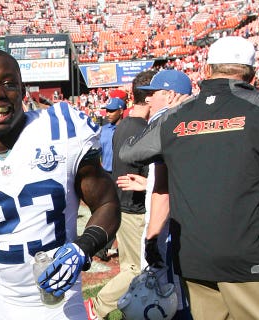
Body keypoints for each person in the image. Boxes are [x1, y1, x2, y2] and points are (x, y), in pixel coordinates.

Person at [0, 49, 121, 320]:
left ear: (22, 91)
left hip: (62, 305)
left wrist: (84, 246)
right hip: (0, 306)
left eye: (8, 83)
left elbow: (107, 202)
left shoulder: (62, 130)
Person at [120, 36, 259, 319]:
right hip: (251, 261)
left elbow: (131, 152)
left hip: (192, 259)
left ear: (205, 70)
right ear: (253, 73)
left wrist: (174, 123)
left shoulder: (177, 114)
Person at [115, 69, 194, 320]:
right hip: (190, 222)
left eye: (153, 94)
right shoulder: (193, 120)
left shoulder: (168, 120)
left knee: (166, 299)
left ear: (171, 95)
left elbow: (131, 153)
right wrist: (147, 183)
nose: (148, 100)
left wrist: (152, 237)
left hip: (169, 226)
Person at [85, 70, 156, 319]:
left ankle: (130, 311)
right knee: (137, 268)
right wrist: (149, 183)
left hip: (122, 205)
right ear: (150, 98)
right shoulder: (144, 128)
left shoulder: (123, 125)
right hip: (134, 209)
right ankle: (98, 306)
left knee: (133, 267)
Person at [95, 96, 125, 261]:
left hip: (121, 174)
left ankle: (104, 247)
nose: (108, 114)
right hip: (105, 174)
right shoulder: (104, 130)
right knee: (106, 210)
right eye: (107, 110)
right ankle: (102, 245)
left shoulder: (127, 128)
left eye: (112, 111)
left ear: (121, 111)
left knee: (118, 211)